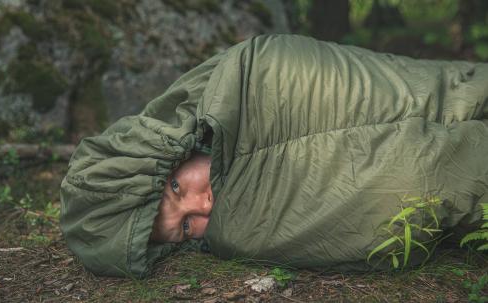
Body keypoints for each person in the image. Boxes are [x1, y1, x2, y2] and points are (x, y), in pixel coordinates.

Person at [60, 34, 487, 278]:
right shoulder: (244, 229)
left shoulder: (238, 78)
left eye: (175, 189)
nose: (202, 206)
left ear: (161, 153)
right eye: (185, 228)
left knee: (450, 91)